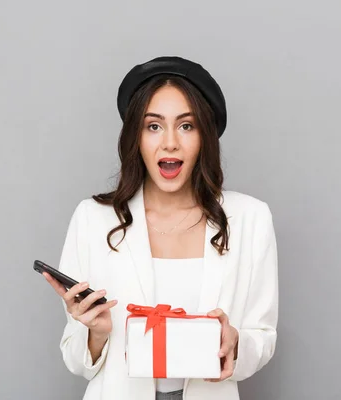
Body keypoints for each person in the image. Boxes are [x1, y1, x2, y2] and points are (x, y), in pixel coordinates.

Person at [43, 56, 278, 400]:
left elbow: (263, 335)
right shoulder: (93, 218)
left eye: (187, 126)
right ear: (136, 137)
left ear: (205, 137)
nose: (170, 142)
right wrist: (95, 332)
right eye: (153, 126)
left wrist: (235, 342)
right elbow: (76, 360)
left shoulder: (251, 218)